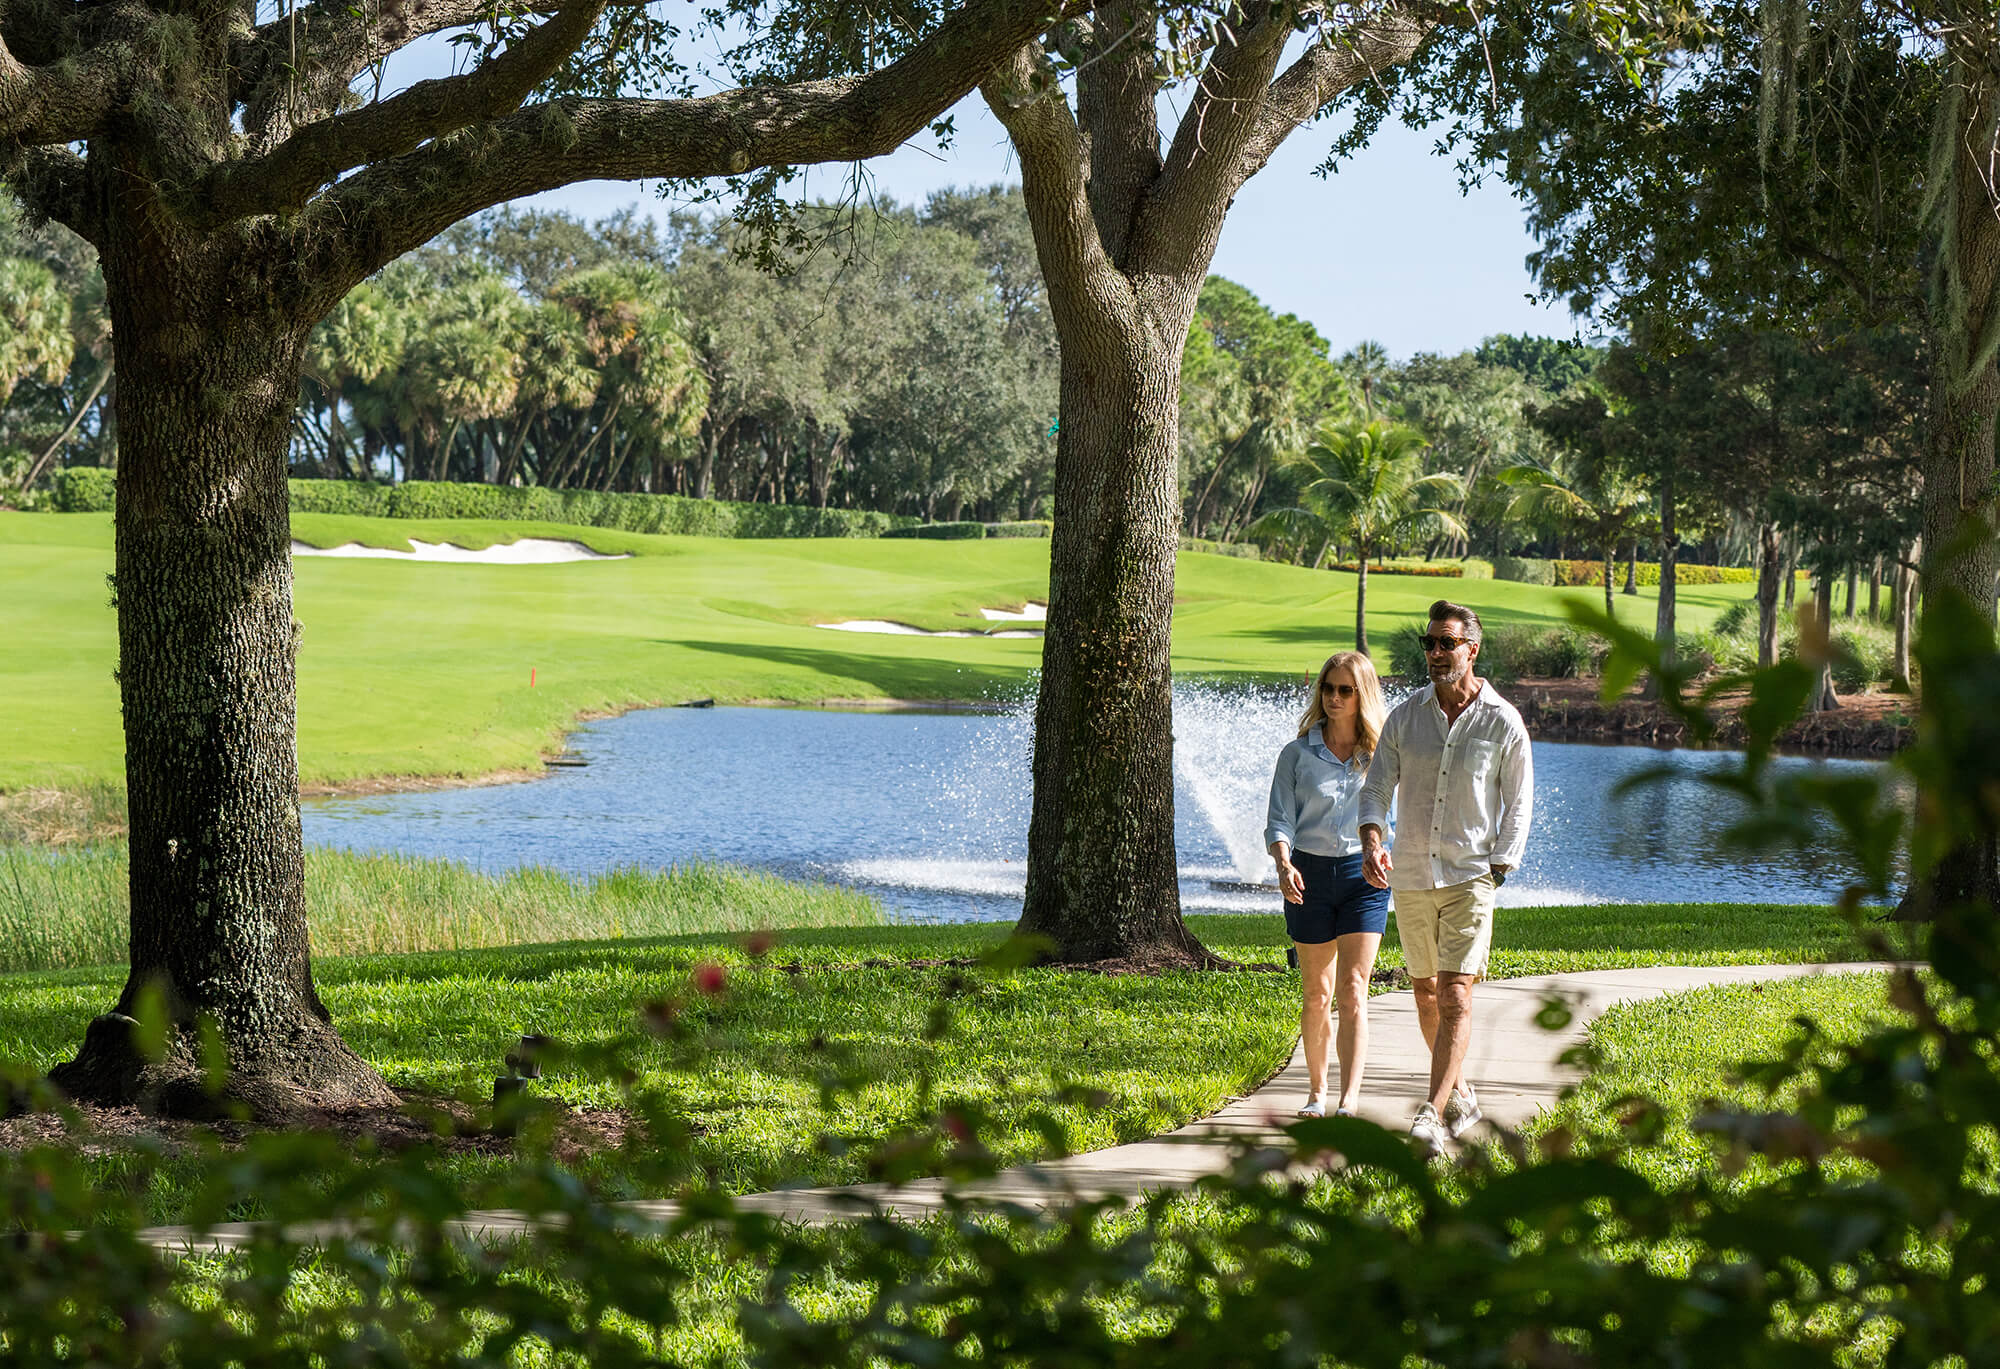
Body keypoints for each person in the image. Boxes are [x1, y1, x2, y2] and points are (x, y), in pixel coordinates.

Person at [1358, 600, 1532, 1156]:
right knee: (1427, 995)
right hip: (1409, 874)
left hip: (1470, 876)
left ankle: (1430, 1112)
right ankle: (1460, 1093)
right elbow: (1378, 787)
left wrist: (1500, 865)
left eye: (1446, 644)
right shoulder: (1406, 718)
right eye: (1429, 644)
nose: (1435, 653)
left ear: (1471, 649)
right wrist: (1372, 839)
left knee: (1456, 994)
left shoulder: (1502, 720)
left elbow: (1518, 802)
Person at [1265, 650, 1392, 1120]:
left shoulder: (1381, 755)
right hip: (1308, 875)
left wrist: (1385, 849)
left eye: (1345, 690)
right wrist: (1283, 864)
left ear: (1363, 695)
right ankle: (1317, 1094)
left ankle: (1348, 1099)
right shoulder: (1297, 754)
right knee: (1317, 992)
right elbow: (1279, 819)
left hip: (1364, 877)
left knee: (1354, 988)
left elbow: (1393, 816)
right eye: (1328, 688)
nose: (1334, 698)